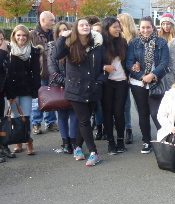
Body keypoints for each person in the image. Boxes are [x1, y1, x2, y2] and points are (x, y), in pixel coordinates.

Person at [55, 18, 105, 167]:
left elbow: (103, 65)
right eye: (81, 25)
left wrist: (99, 82)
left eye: (87, 25)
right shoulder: (70, 44)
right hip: (75, 90)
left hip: (92, 89)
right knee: (84, 120)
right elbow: (57, 55)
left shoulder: (97, 45)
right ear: (76, 28)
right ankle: (94, 152)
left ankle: (77, 147)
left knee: (86, 120)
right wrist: (63, 36)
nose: (85, 26)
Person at [126, 17, 169, 154]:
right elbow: (129, 63)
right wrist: (142, 76)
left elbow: (164, 62)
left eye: (148, 27)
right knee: (143, 113)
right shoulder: (134, 43)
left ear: (153, 28)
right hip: (138, 83)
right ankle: (146, 141)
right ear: (139, 28)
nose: (145, 30)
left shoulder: (161, 42)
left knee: (157, 113)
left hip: (156, 82)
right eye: (143, 27)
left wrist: (152, 75)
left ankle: (164, 138)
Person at [5, 25, 42, 156]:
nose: (21, 37)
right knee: (15, 118)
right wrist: (9, 93)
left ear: (28, 37)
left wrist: (35, 89)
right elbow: (6, 73)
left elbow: (36, 73)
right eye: (18, 35)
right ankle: (18, 143)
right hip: (12, 90)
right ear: (14, 36)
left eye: (24, 35)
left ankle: (28, 142)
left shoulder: (33, 51)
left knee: (26, 117)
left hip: (26, 89)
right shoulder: (8, 50)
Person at [47, 21, 78, 154]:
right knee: (62, 115)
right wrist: (66, 82)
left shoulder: (74, 46)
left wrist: (71, 83)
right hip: (58, 86)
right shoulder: (52, 46)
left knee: (75, 114)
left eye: (65, 29)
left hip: (74, 87)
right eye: (60, 31)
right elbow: (52, 69)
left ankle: (73, 141)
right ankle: (65, 142)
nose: (63, 32)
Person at [101, 17, 129, 154]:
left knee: (119, 112)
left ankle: (120, 141)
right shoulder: (100, 43)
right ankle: (110, 142)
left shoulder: (123, 42)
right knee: (107, 112)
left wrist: (134, 66)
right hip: (107, 83)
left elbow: (128, 60)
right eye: (114, 27)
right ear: (107, 29)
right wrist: (104, 67)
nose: (118, 29)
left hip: (122, 82)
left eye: (119, 26)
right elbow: (93, 62)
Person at [30, 11, 57, 134]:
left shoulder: (54, 34)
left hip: (53, 72)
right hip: (39, 72)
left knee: (51, 98)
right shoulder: (32, 35)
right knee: (38, 99)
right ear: (43, 20)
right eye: (51, 20)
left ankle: (50, 122)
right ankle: (36, 123)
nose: (54, 22)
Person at [117, 13, 138, 144]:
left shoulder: (135, 38)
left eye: (119, 22)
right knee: (125, 103)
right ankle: (128, 128)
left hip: (136, 74)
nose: (117, 24)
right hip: (121, 75)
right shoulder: (116, 37)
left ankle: (144, 128)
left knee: (139, 103)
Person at [0, 29, 15, 161]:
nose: (0, 42)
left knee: (3, 122)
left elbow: (8, 75)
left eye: (1, 39)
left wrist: (10, 94)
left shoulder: (5, 54)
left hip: (3, 93)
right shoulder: (3, 53)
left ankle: (4, 146)